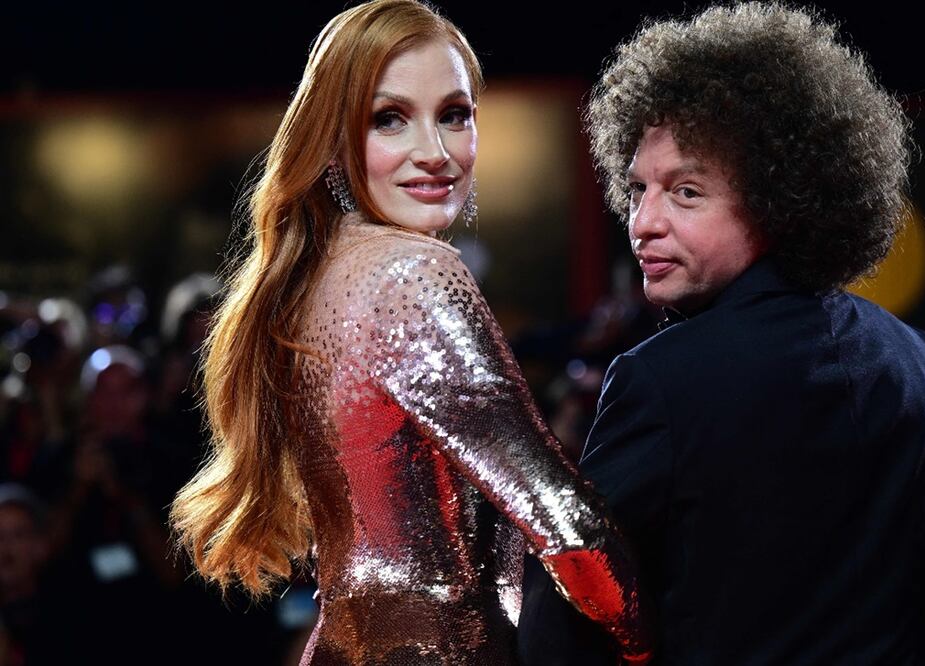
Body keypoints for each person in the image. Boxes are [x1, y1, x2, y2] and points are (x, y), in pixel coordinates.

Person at [519, 3, 925, 665]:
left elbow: (566, 619)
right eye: (637, 189)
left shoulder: (660, 383)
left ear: (781, 198)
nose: (643, 222)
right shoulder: (924, 366)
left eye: (685, 192)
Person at [169, 2, 652, 664]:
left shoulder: (314, 279)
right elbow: (568, 525)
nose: (434, 152)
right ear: (333, 139)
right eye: (389, 119)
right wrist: (650, 643)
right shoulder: (412, 275)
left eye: (454, 115)